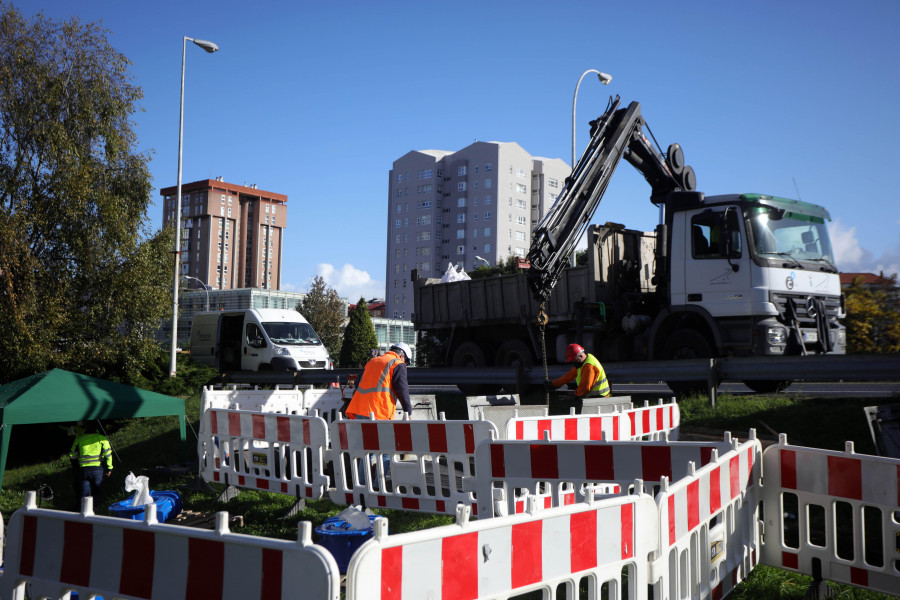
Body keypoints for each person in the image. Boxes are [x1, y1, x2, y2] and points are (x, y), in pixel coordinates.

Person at [345, 342, 413, 421]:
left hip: (360, 411)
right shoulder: (398, 364)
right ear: (402, 356)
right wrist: (408, 412)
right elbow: (402, 390)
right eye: (406, 362)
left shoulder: (372, 361)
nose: (405, 364)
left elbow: (358, 384)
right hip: (379, 412)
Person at [545, 343, 610, 414]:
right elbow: (569, 376)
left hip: (600, 398)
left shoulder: (588, 366)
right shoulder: (583, 362)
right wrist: (553, 384)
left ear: (580, 356)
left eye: (574, 360)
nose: (573, 362)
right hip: (594, 397)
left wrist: (575, 395)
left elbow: (585, 387)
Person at [69, 421, 113, 505]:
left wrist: (75, 467)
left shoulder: (79, 439)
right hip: (97, 469)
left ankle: (84, 512)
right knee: (97, 492)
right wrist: (109, 468)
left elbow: (72, 455)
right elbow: (108, 455)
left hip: (83, 470)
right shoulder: (102, 438)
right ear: (97, 428)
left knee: (84, 495)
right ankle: (96, 511)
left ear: (85, 428)